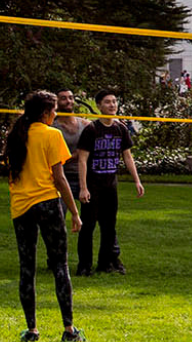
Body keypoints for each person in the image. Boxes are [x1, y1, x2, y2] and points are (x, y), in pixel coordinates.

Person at [3, 91, 86, 342]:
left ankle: (31, 330)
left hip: (21, 207)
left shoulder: (16, 136)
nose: (56, 115)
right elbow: (59, 178)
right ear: (45, 113)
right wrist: (74, 212)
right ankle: (69, 330)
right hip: (48, 204)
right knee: (60, 266)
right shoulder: (52, 134)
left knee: (26, 269)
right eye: (54, 111)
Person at [73, 91, 143, 276]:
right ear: (99, 106)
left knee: (109, 226)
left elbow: (127, 156)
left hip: (110, 185)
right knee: (88, 226)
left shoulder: (120, 129)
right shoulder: (92, 130)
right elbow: (82, 159)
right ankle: (84, 266)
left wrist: (137, 181)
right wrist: (83, 187)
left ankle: (105, 263)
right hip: (92, 184)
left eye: (114, 102)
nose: (112, 105)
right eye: (107, 102)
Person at [53, 88, 92, 213]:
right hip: (61, 178)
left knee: (89, 218)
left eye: (70, 98)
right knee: (59, 216)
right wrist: (76, 154)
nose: (68, 101)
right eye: (63, 98)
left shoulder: (85, 125)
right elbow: (53, 158)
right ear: (56, 102)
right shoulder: (52, 128)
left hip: (84, 177)